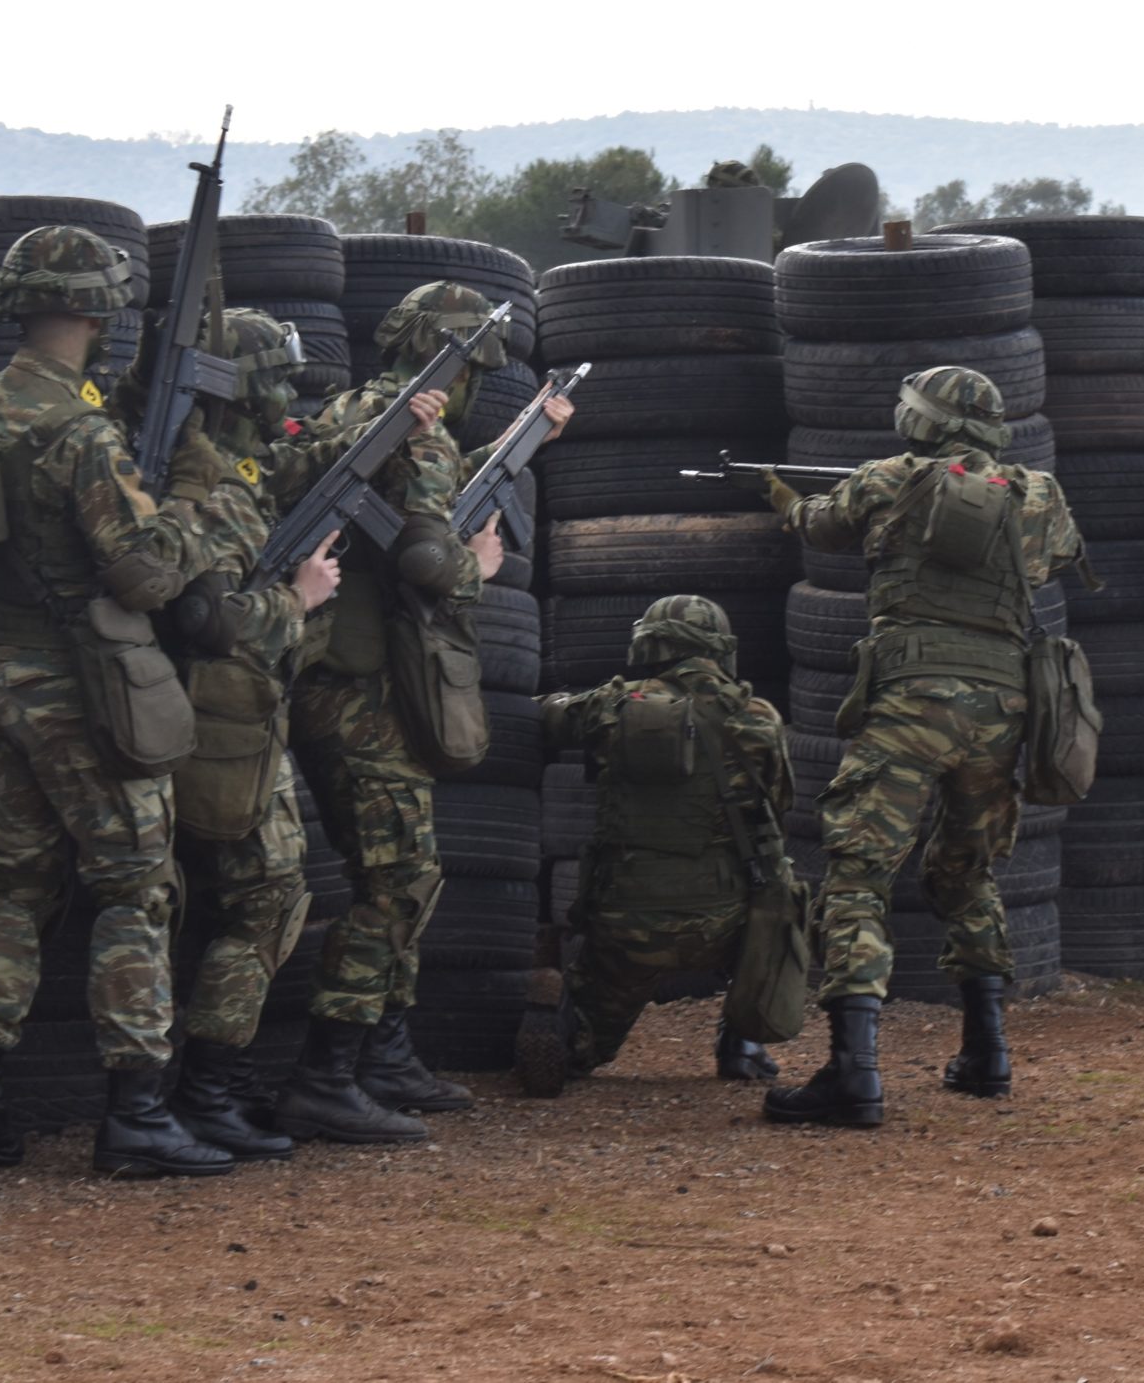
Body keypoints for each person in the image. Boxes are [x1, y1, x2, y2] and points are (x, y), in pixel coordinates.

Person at [0, 224, 247, 1177]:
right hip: (74, 685)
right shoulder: (82, 432)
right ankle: (138, 1113)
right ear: (100, 309)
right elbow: (144, 577)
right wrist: (192, 504)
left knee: (18, 886)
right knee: (134, 884)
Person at [752, 366, 1083, 1126]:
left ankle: (854, 1074)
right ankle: (987, 1054)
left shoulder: (891, 476)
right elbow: (1058, 556)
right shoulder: (1040, 493)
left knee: (860, 873)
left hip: (911, 699)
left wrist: (782, 500)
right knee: (966, 872)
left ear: (922, 420)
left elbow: (823, 528)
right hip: (1003, 708)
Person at [276, 281, 521, 1144]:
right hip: (358, 687)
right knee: (400, 878)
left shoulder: (357, 410)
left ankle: (384, 1053)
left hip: (333, 682)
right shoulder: (416, 433)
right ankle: (328, 1071)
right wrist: (478, 568)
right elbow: (425, 554)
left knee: (400, 867)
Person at [144, 307, 345, 1160]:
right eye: (277, 379)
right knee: (265, 898)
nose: (288, 395)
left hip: (211, 719)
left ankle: (202, 1088)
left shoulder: (219, 471)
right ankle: (206, 1091)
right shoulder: (218, 491)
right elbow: (210, 616)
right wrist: (298, 598)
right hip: (223, 723)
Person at [529, 596, 794, 1093]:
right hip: (727, 924)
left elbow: (546, 719)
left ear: (649, 645)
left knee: (583, 1046)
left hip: (629, 925)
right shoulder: (758, 716)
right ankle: (743, 1040)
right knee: (779, 895)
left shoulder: (613, 706)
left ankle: (567, 1036)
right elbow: (777, 808)